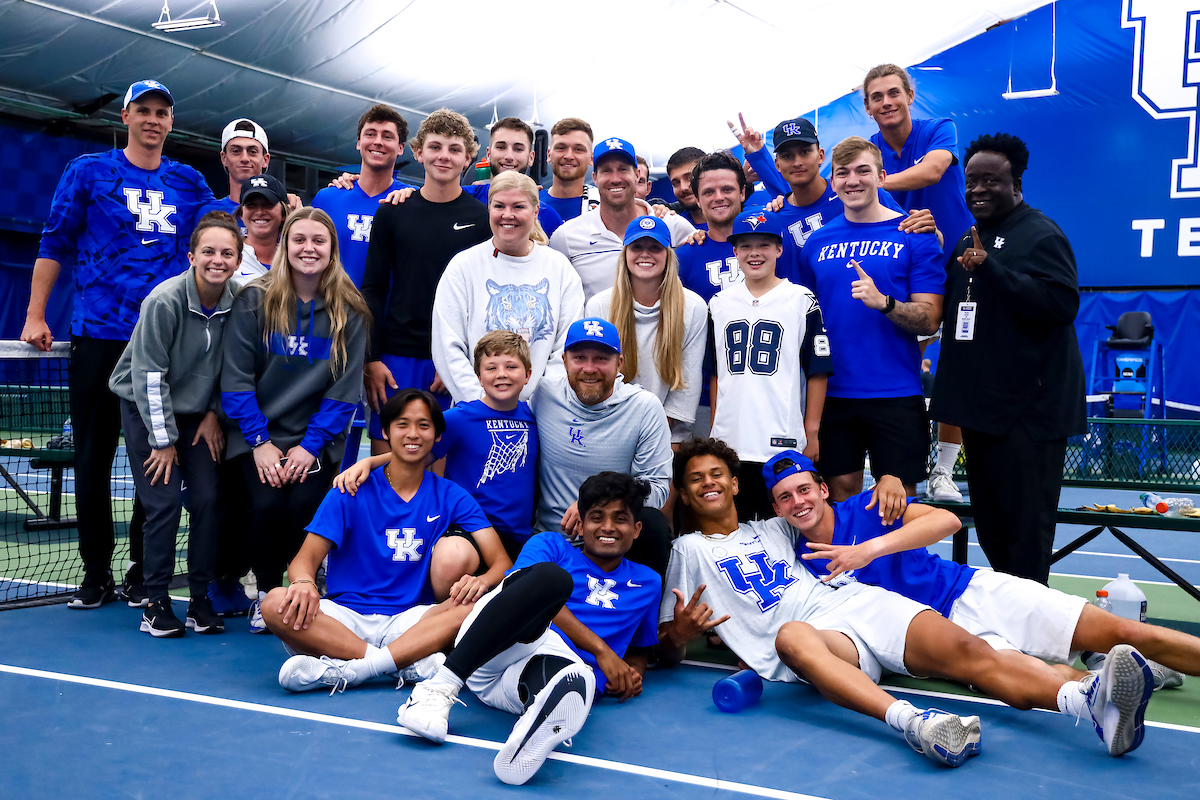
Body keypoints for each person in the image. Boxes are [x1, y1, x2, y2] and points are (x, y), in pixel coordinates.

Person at [662, 439, 1154, 764]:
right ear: (682, 494)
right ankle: (918, 725)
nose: (708, 483)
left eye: (717, 474)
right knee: (791, 635)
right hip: (818, 643)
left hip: (856, 600)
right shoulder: (687, 550)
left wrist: (891, 479)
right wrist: (679, 635)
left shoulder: (774, 527)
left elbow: (834, 504)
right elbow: (668, 644)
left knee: (974, 657)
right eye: (695, 479)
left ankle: (1087, 702)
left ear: (733, 483)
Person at [766, 448, 1192, 692]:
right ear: (776, 508)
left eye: (804, 489)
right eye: (785, 497)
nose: (798, 502)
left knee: (1126, 632)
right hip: (938, 640)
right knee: (1056, 680)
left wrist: (868, 551)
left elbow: (946, 522)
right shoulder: (795, 559)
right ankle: (1139, 677)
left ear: (822, 489)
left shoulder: (867, 505)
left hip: (968, 592)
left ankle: (1148, 661)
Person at [22, 79, 215, 609]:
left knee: (156, 459)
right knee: (92, 457)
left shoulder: (189, 181)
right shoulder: (88, 171)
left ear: (171, 123)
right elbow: (54, 241)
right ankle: (95, 574)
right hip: (99, 336)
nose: (153, 120)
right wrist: (36, 314)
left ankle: (139, 571)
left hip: (164, 344)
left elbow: (225, 232)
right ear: (126, 116)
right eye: (144, 110)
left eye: (162, 113)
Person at [396, 472, 661, 785]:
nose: (607, 527)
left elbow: (641, 648)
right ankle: (437, 689)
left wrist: (632, 672)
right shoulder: (551, 547)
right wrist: (601, 650)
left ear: (637, 529)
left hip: (525, 681)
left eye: (620, 518)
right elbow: (521, 596)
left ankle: (530, 728)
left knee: (577, 681)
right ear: (581, 524)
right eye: (596, 517)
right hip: (496, 648)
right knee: (552, 580)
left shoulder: (648, 582)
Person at [264, 389, 505, 694]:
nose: (412, 434)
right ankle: (398, 662)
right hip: (345, 616)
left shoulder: (451, 494)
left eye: (424, 425)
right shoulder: (350, 488)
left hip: (411, 619)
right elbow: (305, 559)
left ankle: (348, 669)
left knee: (477, 606)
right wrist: (303, 584)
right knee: (274, 602)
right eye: (402, 424)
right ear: (386, 431)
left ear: (437, 436)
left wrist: (481, 581)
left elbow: (501, 563)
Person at [929, 133, 1086, 585]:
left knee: (1025, 533)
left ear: (1015, 183)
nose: (977, 189)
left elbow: (1062, 305)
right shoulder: (966, 237)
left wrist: (993, 270)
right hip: (983, 412)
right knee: (994, 530)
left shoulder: (1041, 233)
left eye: (990, 181)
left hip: (1028, 415)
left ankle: (1034, 636)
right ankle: (1011, 621)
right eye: (971, 180)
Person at [221, 207, 370, 632]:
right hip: (258, 436)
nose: (309, 248)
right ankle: (268, 594)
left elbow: (344, 392)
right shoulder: (254, 299)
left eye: (318, 241)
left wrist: (310, 445)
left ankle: (305, 587)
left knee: (306, 504)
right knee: (266, 504)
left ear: (332, 250)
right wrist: (259, 442)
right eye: (299, 239)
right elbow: (235, 380)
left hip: (314, 438)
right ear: (285, 246)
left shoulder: (351, 309)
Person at [795, 137, 943, 522]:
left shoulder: (914, 234)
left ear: (881, 176)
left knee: (897, 503)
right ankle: (846, 577)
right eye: (842, 173)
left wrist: (885, 303)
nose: (852, 180)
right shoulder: (815, 242)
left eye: (863, 170)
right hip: (832, 394)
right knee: (837, 497)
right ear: (832, 181)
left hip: (896, 392)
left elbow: (930, 318)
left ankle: (896, 583)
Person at [108, 211, 240, 637]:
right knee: (162, 502)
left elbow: (234, 368)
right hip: (145, 410)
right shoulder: (163, 302)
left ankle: (199, 599)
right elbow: (148, 377)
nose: (217, 260)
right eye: (208, 252)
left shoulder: (238, 301)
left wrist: (212, 414)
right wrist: (162, 441)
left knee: (207, 500)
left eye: (226, 253)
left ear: (238, 260)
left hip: (197, 417)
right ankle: (155, 600)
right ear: (191, 256)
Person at [862, 65, 975, 501]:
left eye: (894, 93)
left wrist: (870, 181)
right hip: (904, 264)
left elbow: (932, 172)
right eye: (877, 96)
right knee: (901, 361)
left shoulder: (938, 129)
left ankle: (944, 470)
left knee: (957, 366)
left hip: (959, 260)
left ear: (910, 95)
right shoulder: (868, 149)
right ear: (868, 107)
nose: (886, 102)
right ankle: (892, 462)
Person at [336, 331, 540, 562]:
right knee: (451, 562)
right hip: (470, 530)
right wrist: (369, 462)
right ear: (479, 377)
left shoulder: (535, 417)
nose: (501, 375)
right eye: (491, 368)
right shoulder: (459, 418)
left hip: (520, 535)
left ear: (527, 375)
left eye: (511, 367)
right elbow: (414, 456)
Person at [360, 108, 491, 449]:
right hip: (395, 357)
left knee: (439, 468)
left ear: (468, 158)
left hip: (452, 359)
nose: (443, 156)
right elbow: (373, 288)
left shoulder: (482, 220)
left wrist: (459, 363)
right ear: (418, 152)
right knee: (387, 463)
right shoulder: (392, 212)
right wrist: (372, 358)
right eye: (435, 147)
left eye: (454, 149)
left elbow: (482, 299)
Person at [708, 211, 833, 521]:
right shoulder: (719, 303)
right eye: (746, 245)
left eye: (764, 245)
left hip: (781, 437)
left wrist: (812, 431)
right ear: (734, 251)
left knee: (783, 529)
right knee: (736, 528)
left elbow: (817, 370)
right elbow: (715, 373)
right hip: (731, 438)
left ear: (779, 249)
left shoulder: (801, 299)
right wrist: (715, 427)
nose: (755, 253)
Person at [531, 317, 673, 576]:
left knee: (653, 524)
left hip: (613, 539)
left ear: (619, 363)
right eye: (580, 358)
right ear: (564, 361)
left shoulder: (644, 408)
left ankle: (648, 610)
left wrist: (595, 504)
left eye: (601, 359)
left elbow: (658, 487)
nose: (589, 368)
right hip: (552, 538)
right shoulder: (544, 394)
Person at [431, 170, 584, 405]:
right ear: (489, 210)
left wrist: (538, 407)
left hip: (540, 414)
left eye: (518, 207)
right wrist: (482, 403)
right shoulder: (463, 266)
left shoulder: (559, 268)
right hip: (475, 411)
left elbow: (566, 348)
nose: (507, 215)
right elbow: (447, 346)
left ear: (535, 212)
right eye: (499, 206)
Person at [586, 216, 707, 443]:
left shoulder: (693, 307)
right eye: (637, 247)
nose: (645, 254)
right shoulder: (600, 305)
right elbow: (599, 377)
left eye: (655, 247)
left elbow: (688, 382)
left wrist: (653, 431)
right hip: (612, 429)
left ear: (668, 255)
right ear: (625, 254)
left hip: (670, 435)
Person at [550, 137, 697, 301]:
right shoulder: (566, 236)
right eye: (606, 170)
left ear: (636, 175)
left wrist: (700, 236)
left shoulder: (671, 224)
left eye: (623, 169)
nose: (615, 179)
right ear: (595, 177)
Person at [311, 105, 414, 289]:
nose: (378, 141)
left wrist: (418, 197)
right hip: (332, 313)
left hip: (387, 315)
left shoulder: (411, 201)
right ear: (358, 142)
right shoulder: (327, 199)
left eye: (387, 136)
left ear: (400, 148)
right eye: (370, 134)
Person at [458, 117, 565, 239]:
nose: (509, 156)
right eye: (501, 147)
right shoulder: (463, 199)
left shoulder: (547, 216)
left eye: (518, 149)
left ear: (531, 157)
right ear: (488, 154)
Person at [539, 117, 600, 222]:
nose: (569, 156)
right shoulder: (529, 202)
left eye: (578, 149)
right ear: (549, 155)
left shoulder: (603, 207)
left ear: (591, 158)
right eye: (561, 148)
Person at [233, 174, 289, 282]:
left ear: (283, 213)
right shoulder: (227, 255)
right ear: (241, 214)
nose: (259, 212)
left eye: (268, 204)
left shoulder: (295, 258)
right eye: (251, 205)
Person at [665, 146, 706, 226]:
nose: (683, 187)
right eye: (676, 183)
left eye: (690, 178)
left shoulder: (735, 222)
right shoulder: (674, 227)